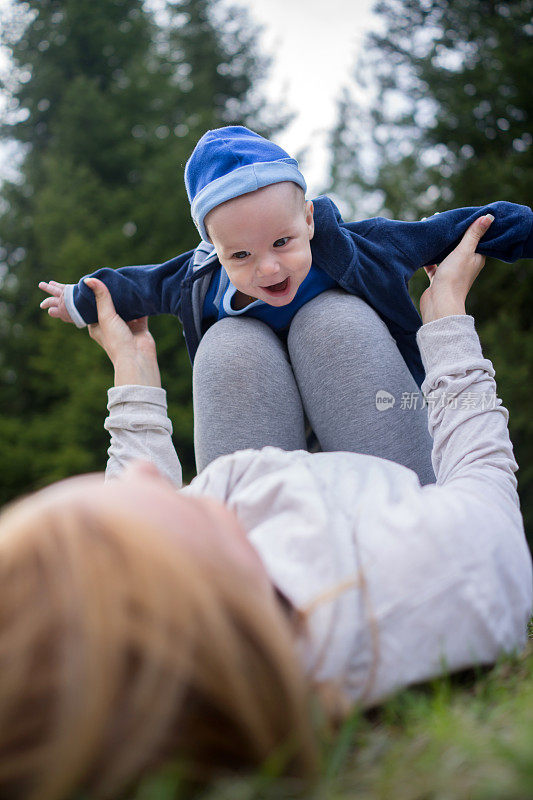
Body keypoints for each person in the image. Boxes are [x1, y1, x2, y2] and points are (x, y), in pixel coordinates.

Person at [4, 222, 530, 800]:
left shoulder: (203, 627)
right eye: (128, 511)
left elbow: (133, 507)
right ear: (178, 592)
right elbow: (482, 469)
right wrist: (446, 314)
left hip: (251, 513)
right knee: (329, 320)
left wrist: (133, 366)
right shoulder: (431, 585)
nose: (154, 478)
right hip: (387, 476)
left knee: (232, 344)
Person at [38, 127, 533, 478]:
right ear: (214, 250)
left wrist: (518, 229)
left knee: (330, 317)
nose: (269, 269)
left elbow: (445, 230)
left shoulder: (357, 248)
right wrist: (81, 299)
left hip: (364, 399)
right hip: (261, 405)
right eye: (242, 255)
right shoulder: (199, 280)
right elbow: (134, 286)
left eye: (282, 242)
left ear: (310, 221)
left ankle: (411, 524)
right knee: (230, 340)